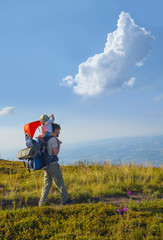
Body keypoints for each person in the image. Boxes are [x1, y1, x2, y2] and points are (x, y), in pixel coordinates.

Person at [39, 123, 71, 206]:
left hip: (46, 165)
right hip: (53, 164)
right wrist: (59, 145)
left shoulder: (45, 138)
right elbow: (55, 152)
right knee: (59, 182)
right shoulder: (53, 139)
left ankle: (42, 203)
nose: (59, 132)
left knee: (46, 184)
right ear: (55, 130)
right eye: (58, 130)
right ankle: (65, 200)